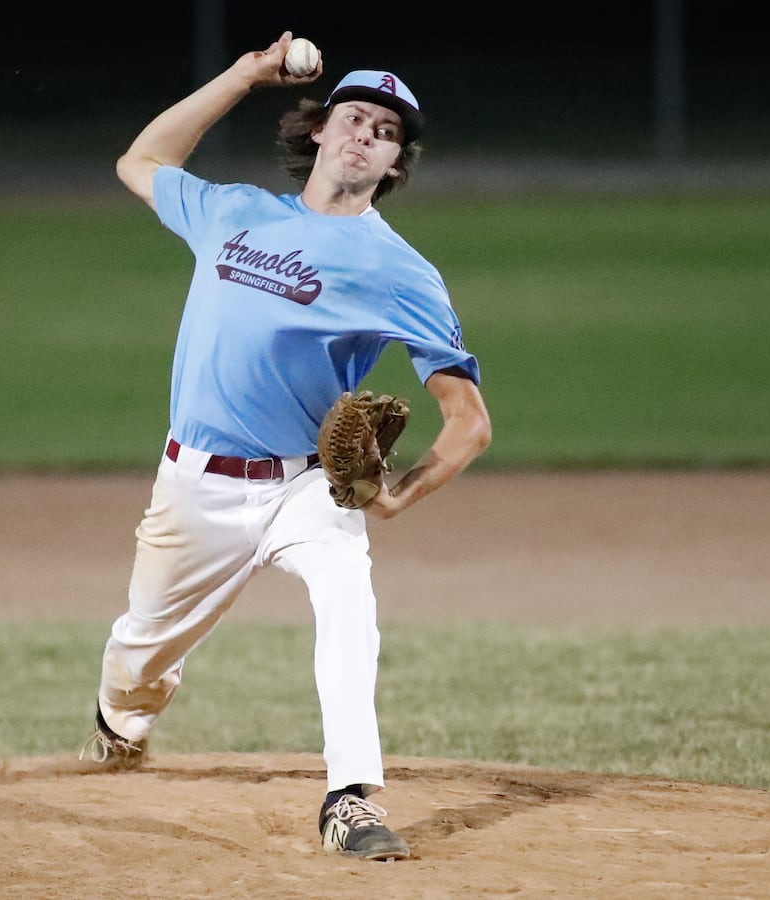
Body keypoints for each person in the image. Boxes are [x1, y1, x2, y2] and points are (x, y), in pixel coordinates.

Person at [80, 31, 492, 862]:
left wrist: (402, 492)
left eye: (385, 131)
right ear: (317, 130)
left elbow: (469, 419)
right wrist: (242, 75)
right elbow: (140, 159)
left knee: (348, 592)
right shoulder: (232, 212)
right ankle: (121, 722)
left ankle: (350, 799)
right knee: (139, 649)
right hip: (194, 487)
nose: (365, 134)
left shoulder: (400, 271)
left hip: (308, 486)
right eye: (354, 117)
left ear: (394, 165)